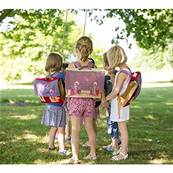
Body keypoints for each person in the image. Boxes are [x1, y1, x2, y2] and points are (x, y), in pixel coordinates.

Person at [67, 36, 97, 164]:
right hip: (89, 102)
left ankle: (75, 157)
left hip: (75, 101)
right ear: (90, 50)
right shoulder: (93, 66)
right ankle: (93, 154)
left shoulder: (72, 65)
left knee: (75, 129)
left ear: (76, 50)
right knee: (90, 128)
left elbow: (68, 86)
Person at [103, 45, 131, 160]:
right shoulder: (126, 70)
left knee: (122, 128)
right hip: (122, 104)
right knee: (122, 127)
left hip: (119, 104)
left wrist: (105, 99)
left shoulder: (122, 73)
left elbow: (116, 91)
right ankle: (123, 148)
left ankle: (123, 152)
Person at [41, 53, 68, 156]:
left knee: (53, 127)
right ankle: (62, 149)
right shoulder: (61, 75)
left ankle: (51, 145)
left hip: (49, 106)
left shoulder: (48, 76)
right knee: (61, 128)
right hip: (59, 106)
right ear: (59, 63)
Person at [102, 53, 120, 154]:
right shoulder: (104, 77)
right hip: (109, 104)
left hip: (116, 103)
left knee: (113, 123)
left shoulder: (117, 74)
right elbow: (103, 91)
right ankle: (115, 141)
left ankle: (115, 145)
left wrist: (112, 75)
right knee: (110, 123)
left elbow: (116, 89)